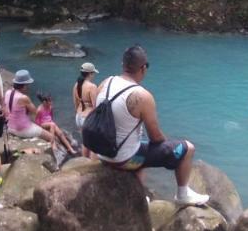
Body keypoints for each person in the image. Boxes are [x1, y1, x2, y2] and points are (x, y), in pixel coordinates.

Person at [90, 45, 209, 206]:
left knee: (140, 152)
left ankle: (139, 197)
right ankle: (182, 194)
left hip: (102, 154)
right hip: (122, 159)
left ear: (123, 64)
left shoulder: (105, 83)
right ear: (143, 68)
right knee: (188, 148)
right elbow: (156, 138)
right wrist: (170, 148)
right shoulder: (142, 96)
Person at [73, 61, 98, 157]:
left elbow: (75, 103)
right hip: (88, 118)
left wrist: (79, 112)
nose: (94, 75)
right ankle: (92, 165)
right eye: (93, 73)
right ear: (90, 73)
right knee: (94, 144)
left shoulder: (76, 85)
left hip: (78, 117)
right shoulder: (92, 87)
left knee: (85, 142)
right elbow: (95, 106)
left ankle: (83, 161)